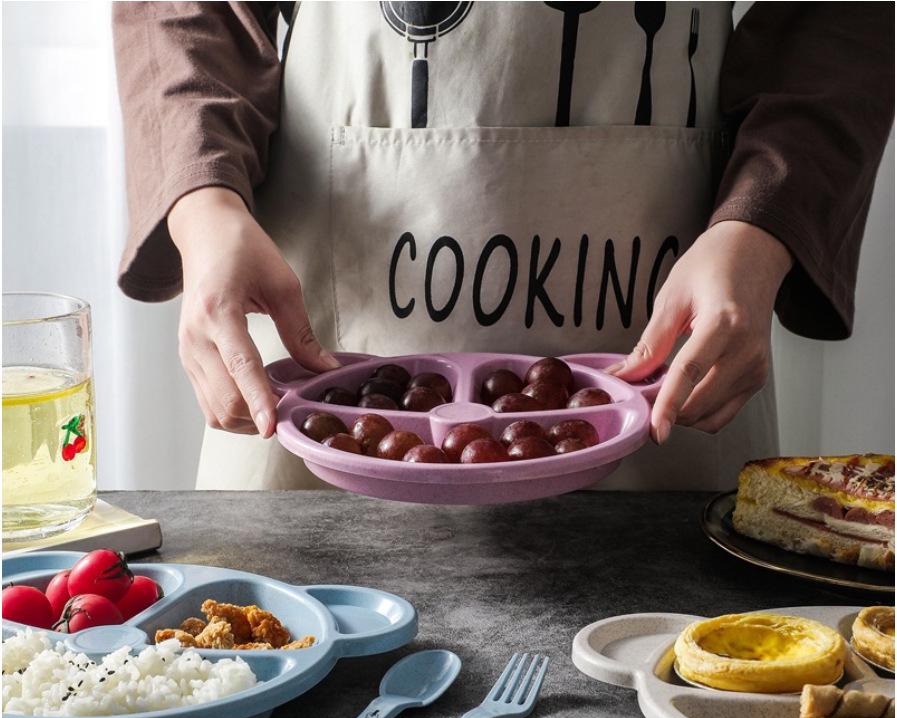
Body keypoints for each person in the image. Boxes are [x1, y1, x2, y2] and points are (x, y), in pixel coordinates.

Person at [112, 2, 893, 490]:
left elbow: (838, 18)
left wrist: (758, 226)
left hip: (671, 362)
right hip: (325, 380)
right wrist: (203, 206)